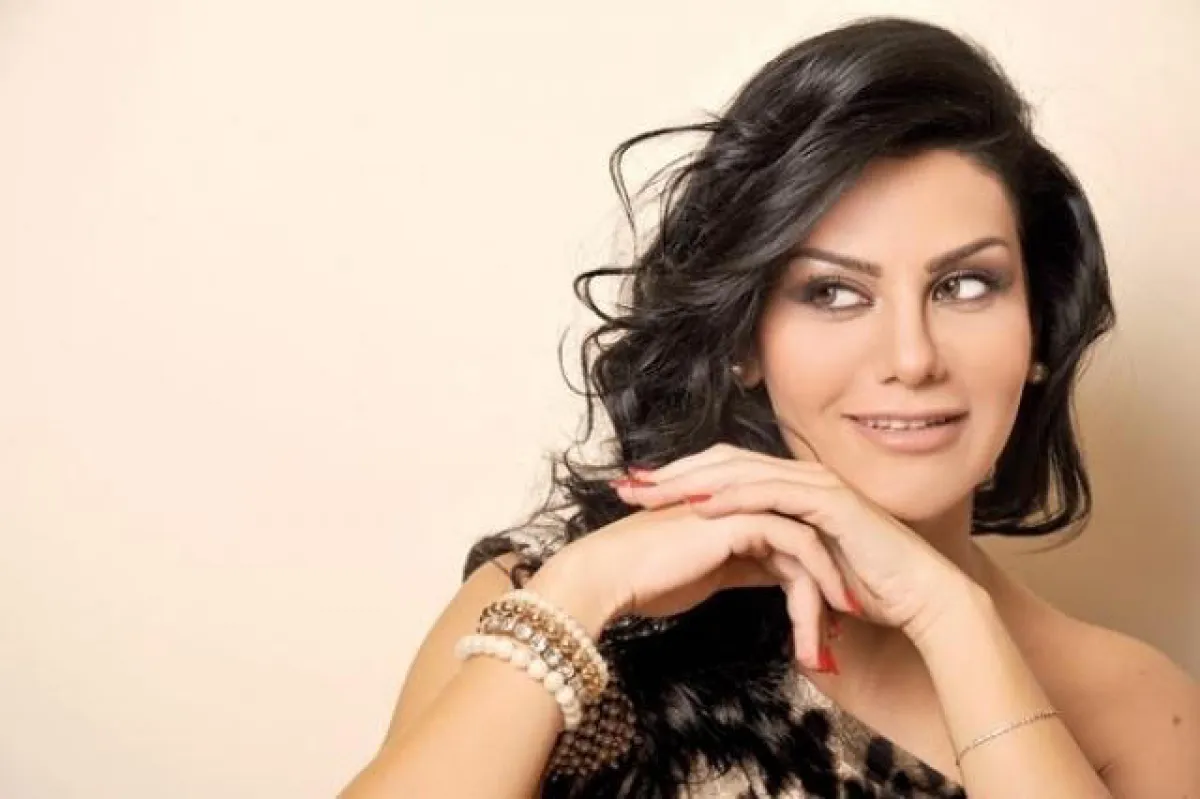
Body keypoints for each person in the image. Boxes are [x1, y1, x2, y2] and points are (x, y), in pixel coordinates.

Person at [341, 15, 1198, 798]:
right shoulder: (550, 606)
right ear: (746, 340)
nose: (912, 358)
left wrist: (954, 617)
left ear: (1040, 325)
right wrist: (582, 591)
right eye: (832, 292)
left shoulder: (1135, 709)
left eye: (965, 285)